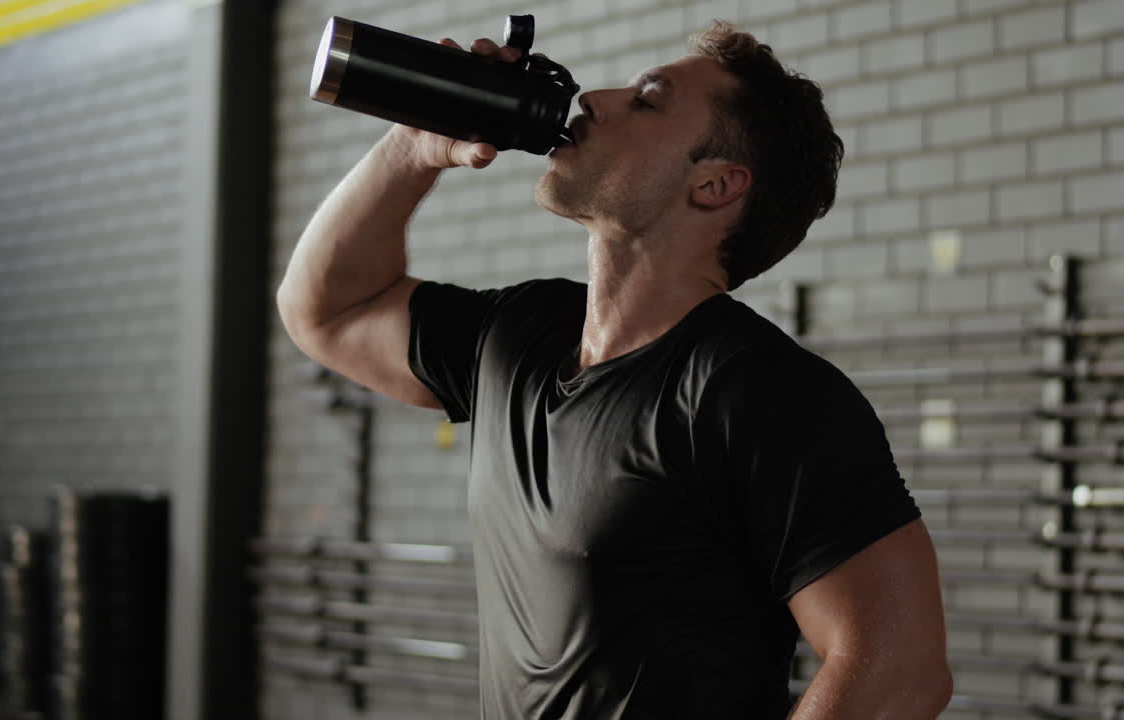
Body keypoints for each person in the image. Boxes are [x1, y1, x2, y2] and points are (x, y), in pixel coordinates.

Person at [277, 20, 951, 720]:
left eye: (648, 100)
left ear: (715, 184)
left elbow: (897, 672)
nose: (594, 98)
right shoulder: (519, 334)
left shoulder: (759, 392)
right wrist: (414, 146)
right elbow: (326, 310)